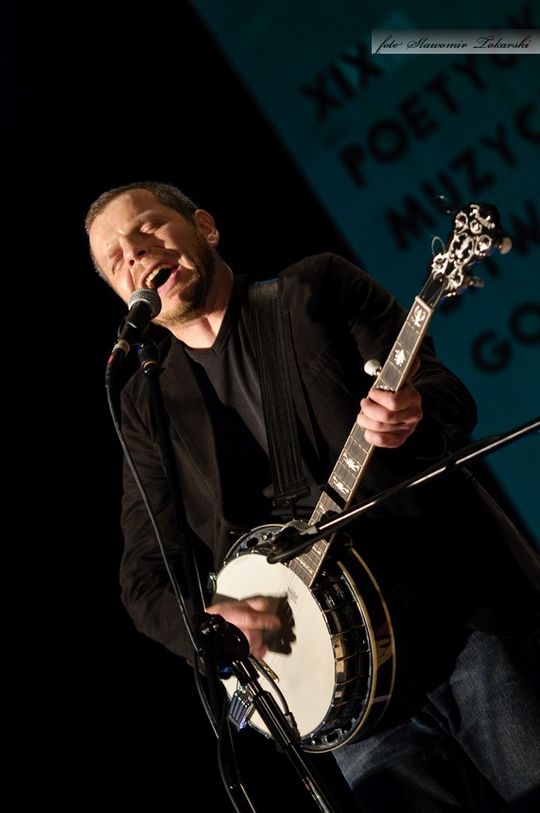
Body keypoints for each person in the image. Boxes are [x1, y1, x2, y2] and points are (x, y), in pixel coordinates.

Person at [86, 181, 540, 812]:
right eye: (115, 259)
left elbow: (447, 396)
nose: (134, 254)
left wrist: (412, 412)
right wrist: (213, 626)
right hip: (346, 699)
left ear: (205, 228)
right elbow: (143, 578)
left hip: (463, 622)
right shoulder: (146, 402)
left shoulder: (314, 289)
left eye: (147, 230)